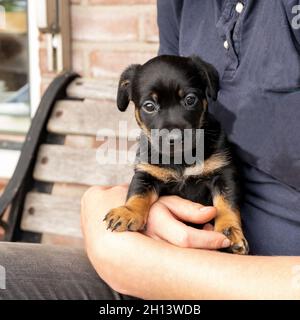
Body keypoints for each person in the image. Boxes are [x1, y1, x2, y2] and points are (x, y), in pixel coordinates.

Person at [0, 0, 299, 300]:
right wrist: (119, 208)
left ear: (208, 95)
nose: (171, 127)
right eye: (151, 106)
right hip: (155, 264)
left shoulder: (213, 149)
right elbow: (145, 182)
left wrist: (152, 262)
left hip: (251, 275)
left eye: (190, 102)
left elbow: (224, 182)